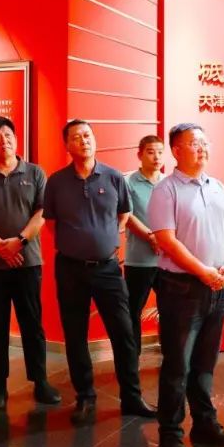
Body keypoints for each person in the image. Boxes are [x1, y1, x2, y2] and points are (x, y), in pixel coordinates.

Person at [42, 119, 156, 425]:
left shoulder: (114, 176)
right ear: (67, 145)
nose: (84, 140)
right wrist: (77, 243)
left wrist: (105, 240)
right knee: (75, 334)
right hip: (70, 269)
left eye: (88, 135)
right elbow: (51, 223)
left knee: (124, 332)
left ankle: (131, 397)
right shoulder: (56, 182)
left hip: (107, 268)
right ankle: (85, 397)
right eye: (77, 137)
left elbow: (125, 213)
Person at [148, 123, 224, 447]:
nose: (202, 148)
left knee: (205, 362)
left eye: (204, 141)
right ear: (176, 151)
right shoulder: (166, 190)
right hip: (182, 288)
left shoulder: (218, 186)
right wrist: (203, 271)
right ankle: (170, 436)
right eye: (193, 143)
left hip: (217, 286)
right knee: (177, 365)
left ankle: (204, 424)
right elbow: (167, 241)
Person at [0, 116, 60, 411]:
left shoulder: (35, 172)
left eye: (7, 134)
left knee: (32, 322)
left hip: (27, 261)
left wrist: (19, 241)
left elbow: (42, 212)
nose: (3, 140)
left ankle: (40, 381)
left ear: (16, 139)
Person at [124, 135, 164, 355]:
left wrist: (165, 240)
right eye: (150, 152)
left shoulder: (168, 182)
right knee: (133, 311)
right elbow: (127, 216)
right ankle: (132, 358)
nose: (156, 157)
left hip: (167, 260)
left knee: (170, 309)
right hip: (139, 260)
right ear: (139, 154)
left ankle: (170, 353)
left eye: (160, 152)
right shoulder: (129, 182)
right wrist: (151, 237)